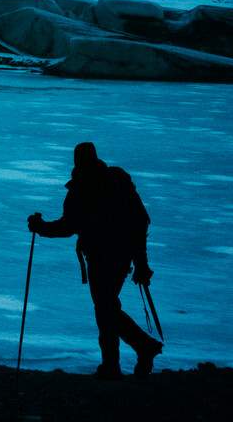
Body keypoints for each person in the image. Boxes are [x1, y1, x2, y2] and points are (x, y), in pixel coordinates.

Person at [27, 141, 163, 377]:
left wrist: (40, 227)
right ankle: (117, 361)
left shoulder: (82, 188)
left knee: (105, 308)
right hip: (122, 256)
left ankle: (135, 351)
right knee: (107, 307)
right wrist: (141, 261)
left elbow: (68, 227)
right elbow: (139, 221)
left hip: (101, 257)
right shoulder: (117, 181)